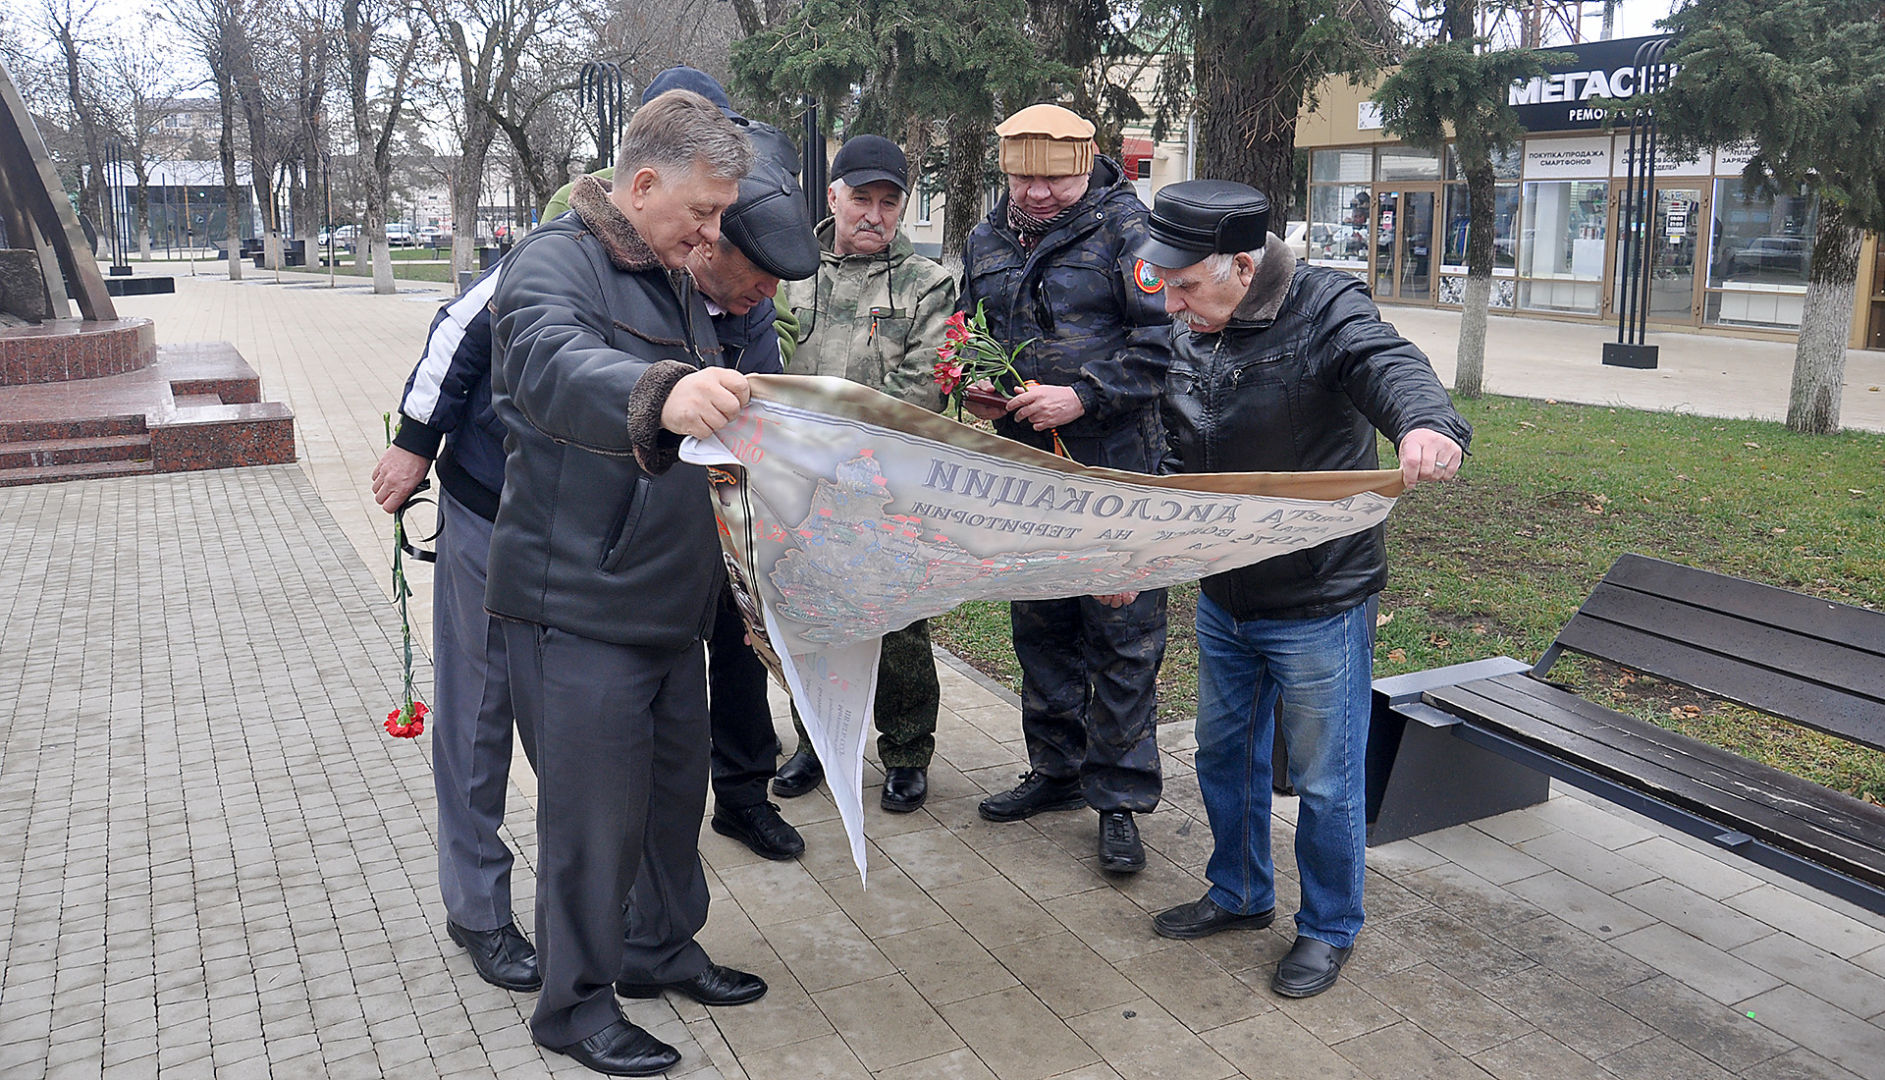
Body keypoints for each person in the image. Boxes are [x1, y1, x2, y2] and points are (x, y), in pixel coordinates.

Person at [1136, 179, 1470, 999]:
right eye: (1162, 286)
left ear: (1241, 267)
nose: (1170, 304)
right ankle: (1241, 893)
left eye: (1182, 286)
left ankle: (1327, 927)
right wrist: (1135, 558)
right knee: (1223, 753)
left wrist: (1426, 424)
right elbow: (1182, 456)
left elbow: (1385, 361)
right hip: (1226, 594)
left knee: (1323, 778)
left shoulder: (1325, 309)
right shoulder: (1195, 322)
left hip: (1318, 599)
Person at [487, 89, 762, 1077]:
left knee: (669, 800)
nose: (712, 231)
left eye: (721, 214)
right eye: (700, 211)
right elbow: (549, 367)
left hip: (661, 600)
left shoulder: (670, 272)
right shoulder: (553, 262)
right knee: (591, 821)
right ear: (640, 185)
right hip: (577, 604)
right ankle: (572, 1008)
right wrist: (662, 390)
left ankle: (654, 950)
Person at [958, 103, 1174, 873]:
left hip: (1115, 468)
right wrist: (976, 389)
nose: (1040, 195)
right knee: (1041, 622)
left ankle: (1117, 799)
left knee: (1121, 636)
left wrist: (1083, 393)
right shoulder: (984, 237)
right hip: (1026, 472)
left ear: (1090, 166)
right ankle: (1055, 771)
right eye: (1024, 178)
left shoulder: (1131, 232)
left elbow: (1164, 346)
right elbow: (968, 332)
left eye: (1058, 180)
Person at [769, 134, 956, 815]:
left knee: (898, 620)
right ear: (833, 197)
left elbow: (925, 386)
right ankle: (815, 742)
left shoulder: (927, 283)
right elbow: (766, 362)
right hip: (793, 480)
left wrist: (853, 454)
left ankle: (906, 751)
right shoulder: (787, 269)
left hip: (887, 482)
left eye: (889, 201)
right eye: (861, 199)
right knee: (806, 614)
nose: (874, 214)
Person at [370, 258, 536, 998]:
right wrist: (414, 440)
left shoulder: (713, 254)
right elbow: (459, 328)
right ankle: (477, 910)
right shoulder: (571, 235)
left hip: (593, 530)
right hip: (490, 502)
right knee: (478, 709)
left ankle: (597, 907)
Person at [687, 162, 824, 857]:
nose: (770, 294)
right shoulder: (652, 288)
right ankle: (668, 815)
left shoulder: (754, 305)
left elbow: (762, 412)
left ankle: (742, 799)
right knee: (671, 677)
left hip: (730, 513)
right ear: (708, 245)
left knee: (742, 655)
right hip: (656, 527)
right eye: (759, 273)